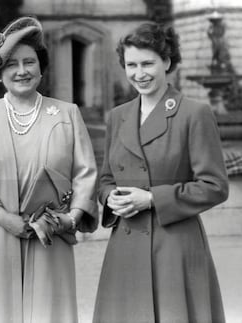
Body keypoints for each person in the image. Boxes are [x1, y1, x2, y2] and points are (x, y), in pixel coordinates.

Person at [0, 16, 98, 323]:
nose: (22, 71)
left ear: (41, 67)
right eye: (11, 64)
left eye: (29, 62)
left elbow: (85, 173)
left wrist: (70, 219)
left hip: (51, 236)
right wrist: (3, 218)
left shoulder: (67, 113)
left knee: (50, 314)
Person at [93, 23, 229, 323]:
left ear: (166, 62)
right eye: (131, 65)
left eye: (147, 63)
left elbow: (215, 185)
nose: (139, 73)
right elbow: (105, 179)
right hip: (125, 246)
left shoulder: (194, 113)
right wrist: (110, 198)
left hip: (174, 246)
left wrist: (152, 198)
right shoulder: (118, 116)